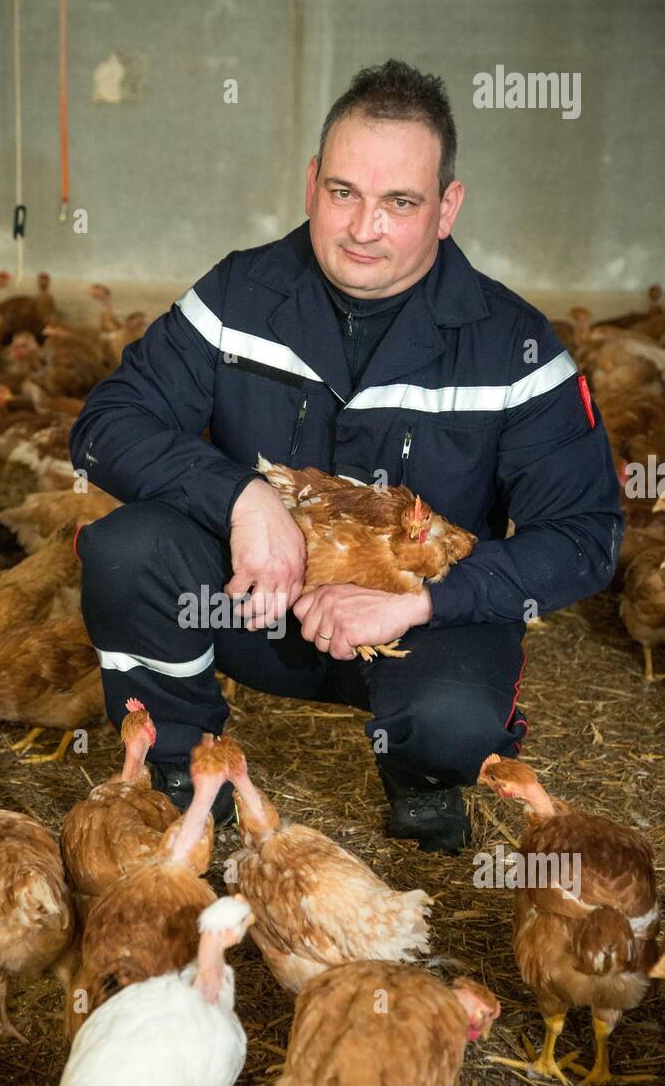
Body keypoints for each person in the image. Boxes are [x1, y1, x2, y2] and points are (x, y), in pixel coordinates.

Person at [69, 59, 621, 853]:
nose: (365, 228)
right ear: (311, 185)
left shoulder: (513, 344)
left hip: (418, 627)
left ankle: (425, 778)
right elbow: (105, 422)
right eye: (344, 194)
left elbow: (586, 534)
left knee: (454, 721)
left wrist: (420, 603)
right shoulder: (238, 296)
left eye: (400, 202)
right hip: (256, 601)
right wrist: (241, 500)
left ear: (446, 208)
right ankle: (184, 767)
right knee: (125, 550)